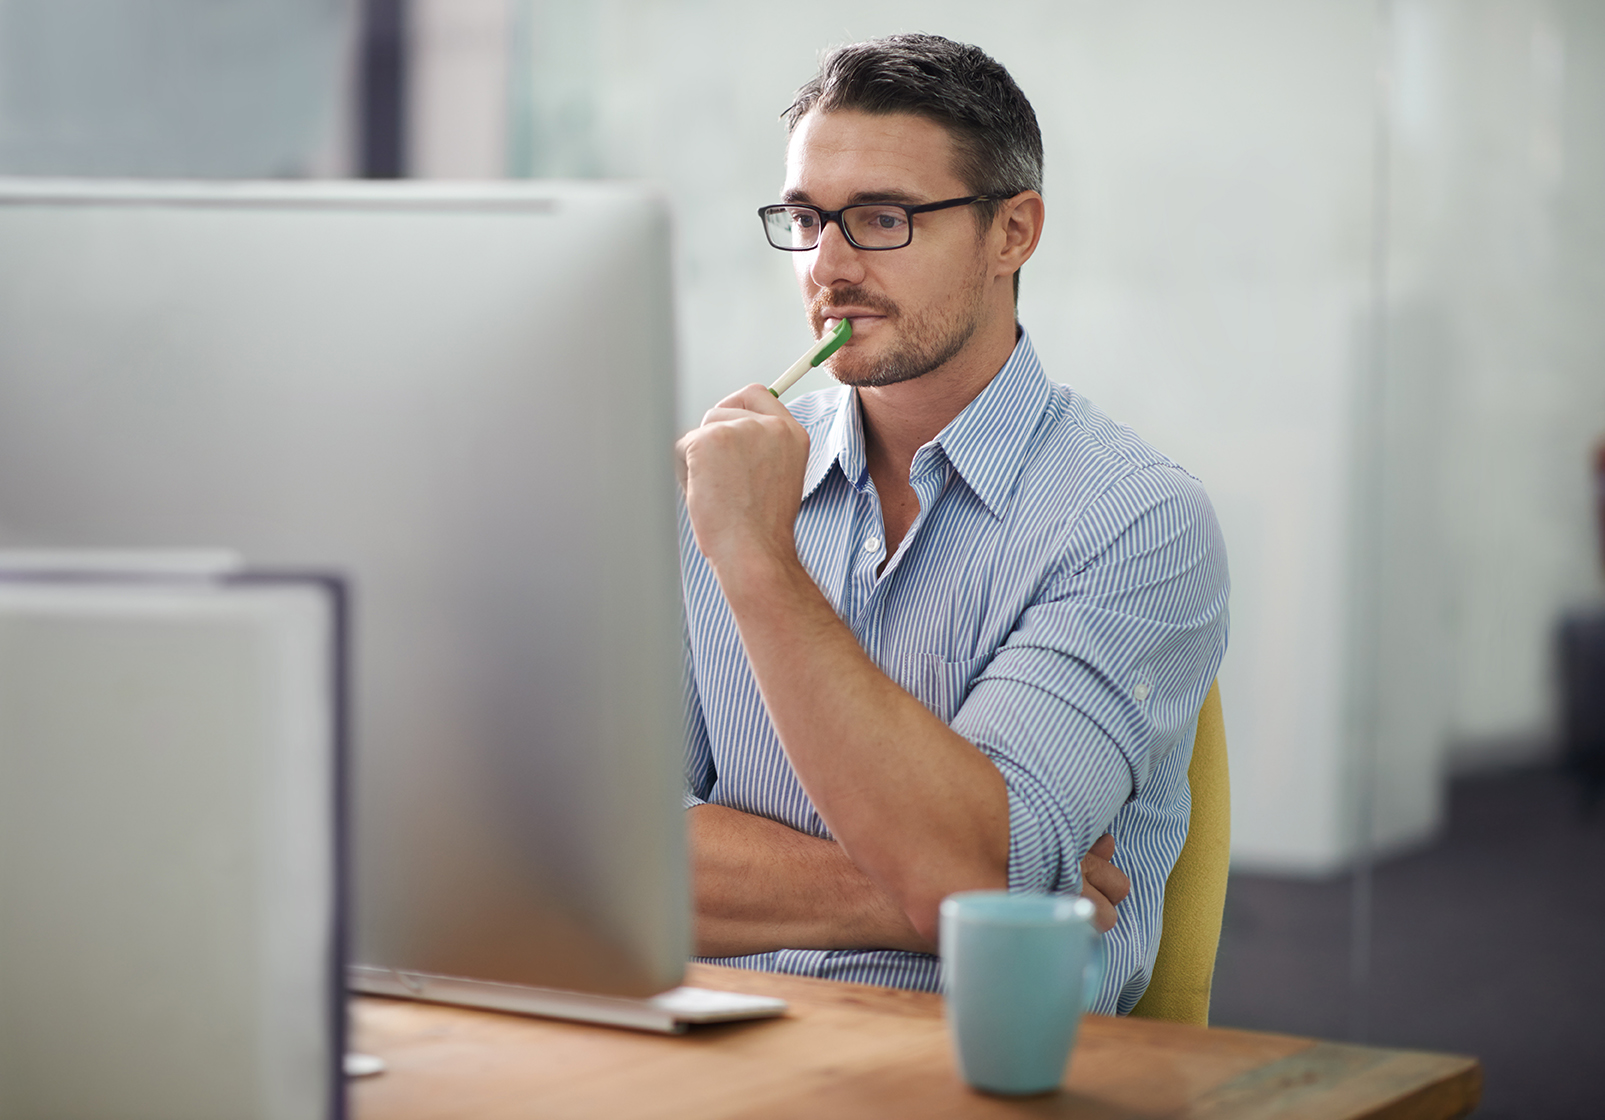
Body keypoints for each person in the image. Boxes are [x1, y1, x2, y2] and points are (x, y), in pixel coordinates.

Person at [675, 33, 1228, 1013]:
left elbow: (978, 863)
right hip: (717, 1044)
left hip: (980, 1069)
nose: (828, 266)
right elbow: (596, 859)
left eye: (882, 218)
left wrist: (760, 561)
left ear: (1012, 234)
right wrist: (920, 898)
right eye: (805, 219)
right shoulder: (713, 483)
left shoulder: (1138, 521)